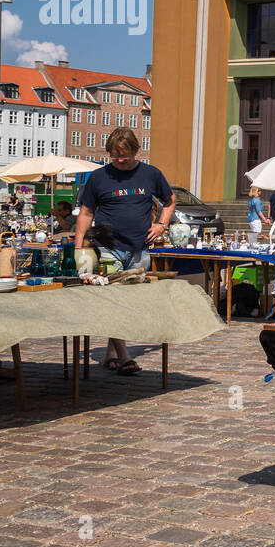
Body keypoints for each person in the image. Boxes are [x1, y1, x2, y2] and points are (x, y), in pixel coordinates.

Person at [74, 128, 176, 376]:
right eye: (115, 156)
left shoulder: (151, 174)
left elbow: (170, 200)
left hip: (139, 249)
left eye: (125, 157)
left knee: (130, 305)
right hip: (108, 247)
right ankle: (126, 357)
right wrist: (79, 248)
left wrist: (161, 224)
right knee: (115, 302)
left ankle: (111, 353)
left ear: (135, 152)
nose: (120, 161)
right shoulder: (99, 177)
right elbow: (86, 213)